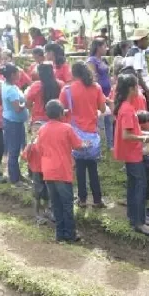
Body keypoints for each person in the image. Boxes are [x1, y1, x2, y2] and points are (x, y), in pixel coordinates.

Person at [112, 73, 149, 236]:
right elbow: (126, 135)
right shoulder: (127, 110)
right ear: (131, 89)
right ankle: (139, 223)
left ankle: (134, 217)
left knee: (133, 186)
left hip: (132, 153)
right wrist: (144, 137)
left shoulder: (126, 107)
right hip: (133, 155)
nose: (139, 89)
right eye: (137, 86)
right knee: (139, 186)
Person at [37, 99, 89, 243]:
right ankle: (71, 234)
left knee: (56, 205)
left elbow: (40, 149)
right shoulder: (66, 128)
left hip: (48, 172)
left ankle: (59, 235)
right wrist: (86, 144)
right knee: (67, 205)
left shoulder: (42, 129)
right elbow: (78, 145)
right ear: (61, 113)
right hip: (62, 171)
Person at [60, 62, 107, 208]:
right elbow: (103, 108)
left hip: (76, 134)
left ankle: (82, 199)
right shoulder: (96, 87)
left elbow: (61, 110)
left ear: (73, 74)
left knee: (80, 168)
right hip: (92, 134)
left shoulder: (67, 90)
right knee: (93, 168)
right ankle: (98, 200)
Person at [1, 64, 30, 186]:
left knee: (16, 148)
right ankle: (14, 179)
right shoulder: (11, 90)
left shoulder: (7, 85)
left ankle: (16, 174)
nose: (20, 74)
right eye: (18, 72)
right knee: (14, 150)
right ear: (12, 75)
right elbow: (17, 108)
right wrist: (26, 103)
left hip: (13, 121)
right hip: (13, 123)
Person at [21, 123, 54, 224]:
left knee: (48, 191)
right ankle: (36, 214)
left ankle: (47, 210)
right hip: (36, 171)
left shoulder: (46, 143)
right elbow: (24, 156)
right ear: (31, 133)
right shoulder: (31, 144)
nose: (37, 132)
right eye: (34, 130)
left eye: (39, 130)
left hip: (47, 170)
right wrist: (31, 143)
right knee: (37, 192)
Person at [87, 38, 114, 149]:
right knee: (98, 119)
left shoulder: (103, 60)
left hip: (108, 92)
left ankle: (110, 144)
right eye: (104, 46)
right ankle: (97, 144)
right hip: (98, 93)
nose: (106, 48)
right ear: (98, 47)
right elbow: (92, 78)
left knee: (109, 118)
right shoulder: (91, 61)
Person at [24, 62, 64, 130]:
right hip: (57, 119)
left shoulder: (36, 86)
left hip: (39, 121)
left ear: (40, 73)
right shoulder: (60, 84)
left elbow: (28, 104)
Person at [124, 29, 149, 102]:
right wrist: (147, 90)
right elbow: (138, 74)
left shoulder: (129, 52)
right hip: (141, 90)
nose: (148, 42)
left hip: (134, 89)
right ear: (141, 40)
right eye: (146, 39)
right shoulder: (138, 54)